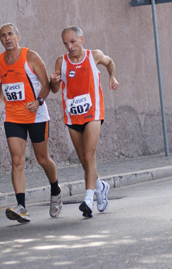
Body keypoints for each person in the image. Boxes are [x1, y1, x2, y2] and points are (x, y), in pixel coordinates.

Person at [0, 23, 63, 223]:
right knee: (17, 160)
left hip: (36, 115)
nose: (7, 38)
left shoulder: (31, 57)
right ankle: (21, 207)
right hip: (13, 116)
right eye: (3, 36)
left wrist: (38, 101)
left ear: (18, 36)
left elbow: (46, 84)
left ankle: (56, 191)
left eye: (10, 34)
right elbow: (4, 83)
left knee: (42, 160)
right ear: (0, 40)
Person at [49, 26, 119, 218]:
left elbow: (109, 62)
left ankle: (88, 199)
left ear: (81, 39)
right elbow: (55, 89)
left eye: (72, 42)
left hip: (93, 112)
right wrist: (54, 81)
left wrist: (112, 76)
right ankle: (101, 187)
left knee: (89, 155)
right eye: (65, 43)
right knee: (83, 159)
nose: (69, 47)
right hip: (72, 115)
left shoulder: (93, 55)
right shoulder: (61, 62)